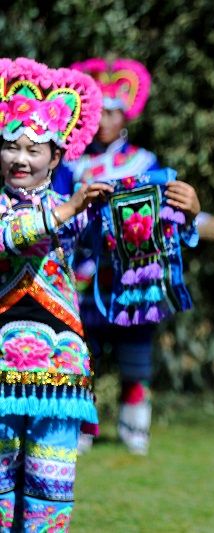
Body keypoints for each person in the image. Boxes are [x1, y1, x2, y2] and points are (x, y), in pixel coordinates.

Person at [52, 58, 213, 455]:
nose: (105, 121)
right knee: (82, 356)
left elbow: (165, 209)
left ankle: (134, 431)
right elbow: (56, 210)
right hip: (84, 276)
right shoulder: (70, 162)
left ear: (125, 114)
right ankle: (81, 429)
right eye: (99, 112)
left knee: (136, 356)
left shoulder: (145, 162)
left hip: (136, 275)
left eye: (112, 112)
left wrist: (196, 218)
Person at [0, 57, 112, 531]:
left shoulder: (76, 209)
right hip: (2, 371)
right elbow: (10, 235)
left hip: (61, 371)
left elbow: (128, 243)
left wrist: (180, 214)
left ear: (56, 156)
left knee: (50, 488)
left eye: (33, 148)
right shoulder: (64, 209)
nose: (20, 159)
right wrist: (67, 210)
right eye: (10, 146)